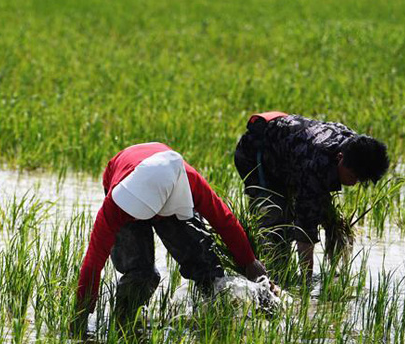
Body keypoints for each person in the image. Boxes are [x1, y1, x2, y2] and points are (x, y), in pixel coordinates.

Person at [74, 142, 270, 331]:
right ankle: (124, 325)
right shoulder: (117, 203)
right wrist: (81, 313)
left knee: (204, 263)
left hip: (168, 187)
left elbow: (224, 221)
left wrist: (249, 261)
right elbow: (93, 262)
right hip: (129, 183)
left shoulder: (190, 182)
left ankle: (216, 320)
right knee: (140, 273)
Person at [234, 112, 390, 278]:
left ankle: (283, 275)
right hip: (255, 154)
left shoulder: (354, 145)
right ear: (340, 158)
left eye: (361, 179)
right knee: (275, 219)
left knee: (317, 209)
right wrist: (306, 283)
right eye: (352, 176)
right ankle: (269, 274)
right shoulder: (316, 163)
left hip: (288, 155)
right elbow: (305, 229)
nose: (354, 183)